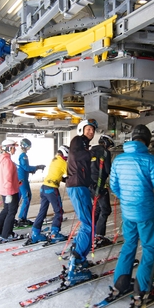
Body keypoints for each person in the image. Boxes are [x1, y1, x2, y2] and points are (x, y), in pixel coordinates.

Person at [109, 124, 154, 308]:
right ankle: (141, 291)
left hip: (127, 212)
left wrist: (126, 199)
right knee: (149, 247)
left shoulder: (118, 159)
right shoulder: (150, 161)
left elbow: (114, 186)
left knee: (129, 245)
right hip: (146, 213)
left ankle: (120, 283)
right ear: (147, 141)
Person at [65, 118, 98, 285]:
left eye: (93, 130)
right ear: (81, 129)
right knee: (88, 225)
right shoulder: (77, 141)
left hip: (81, 186)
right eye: (88, 129)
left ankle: (80, 256)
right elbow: (76, 156)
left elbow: (84, 169)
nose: (91, 132)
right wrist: (93, 153)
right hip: (77, 186)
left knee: (89, 224)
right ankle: (76, 259)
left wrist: (93, 185)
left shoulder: (84, 145)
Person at [26, 145, 69, 245]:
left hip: (44, 187)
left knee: (42, 211)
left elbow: (57, 174)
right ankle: (54, 234)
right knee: (59, 211)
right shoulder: (63, 163)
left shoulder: (54, 160)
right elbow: (70, 175)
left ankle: (35, 233)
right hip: (52, 189)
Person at [0, 139, 22, 242]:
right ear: (8, 148)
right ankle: (6, 234)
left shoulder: (1, 159)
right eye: (13, 148)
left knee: (6, 210)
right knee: (11, 211)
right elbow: (7, 177)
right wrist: (9, 193)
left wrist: (17, 183)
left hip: (5, 189)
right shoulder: (7, 161)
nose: (14, 150)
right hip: (10, 191)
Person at [90, 135, 114, 246]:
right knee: (105, 209)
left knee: (97, 209)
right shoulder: (105, 152)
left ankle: (91, 233)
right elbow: (108, 170)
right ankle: (99, 236)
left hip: (90, 184)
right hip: (100, 185)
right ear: (107, 143)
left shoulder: (91, 151)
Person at [16, 138, 45, 226]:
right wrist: (37, 167)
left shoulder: (17, 154)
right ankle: (22, 218)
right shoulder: (23, 155)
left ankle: (13, 217)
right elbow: (26, 167)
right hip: (22, 179)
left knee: (18, 198)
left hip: (18, 178)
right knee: (27, 197)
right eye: (28, 147)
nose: (28, 149)